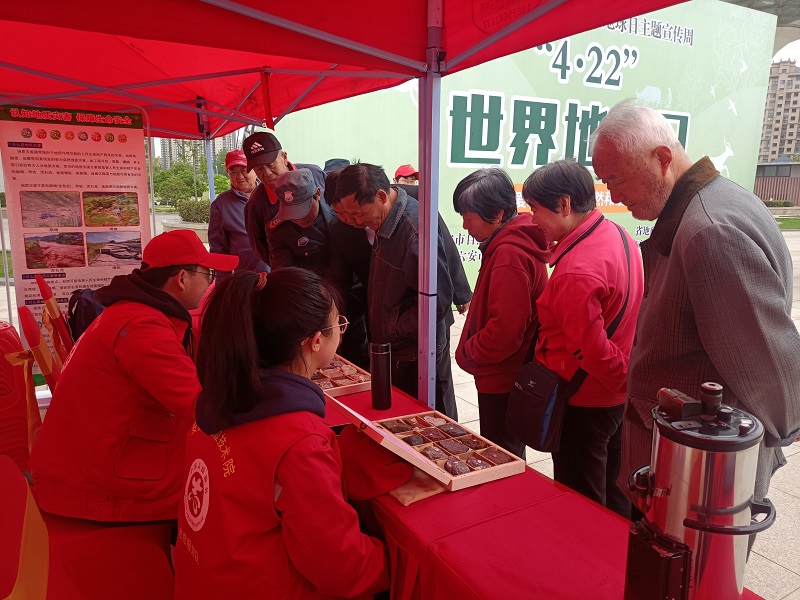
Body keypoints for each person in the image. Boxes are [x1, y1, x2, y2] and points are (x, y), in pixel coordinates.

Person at [590, 100, 800, 506]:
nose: (613, 195)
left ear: (662, 158)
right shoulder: (718, 202)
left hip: (699, 471)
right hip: (691, 456)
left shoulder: (709, 231)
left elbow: (763, 362)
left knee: (682, 552)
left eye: (616, 179)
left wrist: (783, 426)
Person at [173, 268, 389, 599]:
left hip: (202, 582)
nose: (341, 332)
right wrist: (393, 560)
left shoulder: (217, 400)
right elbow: (341, 568)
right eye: (339, 324)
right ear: (316, 340)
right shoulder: (299, 441)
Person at [29, 230, 238, 524]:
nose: (211, 282)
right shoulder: (142, 327)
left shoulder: (130, 312)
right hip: (97, 489)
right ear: (182, 278)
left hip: (87, 465)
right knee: (231, 487)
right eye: (209, 274)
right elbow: (202, 407)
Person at [522, 159, 643, 518]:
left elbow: (591, 351)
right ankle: (618, 549)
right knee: (615, 490)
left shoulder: (577, 269)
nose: (533, 218)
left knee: (582, 500)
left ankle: (589, 552)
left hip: (585, 397)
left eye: (536, 209)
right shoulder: (618, 234)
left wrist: (622, 381)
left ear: (564, 204)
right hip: (614, 394)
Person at [333, 163, 456, 417]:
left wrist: (394, 327)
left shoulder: (414, 232)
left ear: (380, 196)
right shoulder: (386, 218)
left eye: (359, 214)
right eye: (349, 215)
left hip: (414, 352)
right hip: (395, 348)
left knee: (428, 417)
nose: (356, 222)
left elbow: (438, 301)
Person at [453, 168, 550, 459]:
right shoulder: (510, 244)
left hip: (502, 377)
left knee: (501, 457)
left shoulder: (510, 254)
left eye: (468, 216)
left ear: (496, 214)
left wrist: (469, 351)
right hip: (507, 373)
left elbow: (505, 333)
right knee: (506, 453)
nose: (464, 225)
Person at [270, 168, 371, 368]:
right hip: (310, 302)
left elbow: (340, 274)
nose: (297, 219)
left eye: (303, 209)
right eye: (291, 213)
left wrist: (334, 319)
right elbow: (285, 276)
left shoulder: (340, 215)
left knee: (357, 359)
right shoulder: (279, 230)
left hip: (348, 298)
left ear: (317, 193)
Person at [242, 131, 325, 265]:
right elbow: (264, 252)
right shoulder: (255, 205)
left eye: (271, 164)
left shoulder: (316, 174)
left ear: (284, 157)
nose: (267, 173)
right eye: (259, 169)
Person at [208, 149, 269, 274]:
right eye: (233, 171)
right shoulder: (220, 205)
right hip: (246, 277)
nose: (239, 177)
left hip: (278, 274)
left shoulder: (271, 193)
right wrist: (223, 282)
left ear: (255, 169)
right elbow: (218, 250)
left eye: (244, 170)